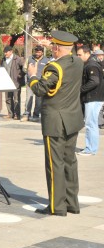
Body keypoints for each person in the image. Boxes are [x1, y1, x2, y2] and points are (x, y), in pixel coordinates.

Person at [28, 30, 83, 216]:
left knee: (54, 164)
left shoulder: (54, 68)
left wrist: (33, 76)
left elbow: (40, 89)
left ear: (58, 48)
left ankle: (56, 206)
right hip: (72, 118)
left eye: (53, 46)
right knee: (70, 162)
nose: (51, 48)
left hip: (55, 121)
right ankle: (71, 203)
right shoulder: (77, 62)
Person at [76, 46, 104, 156]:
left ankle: (90, 149)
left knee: (90, 124)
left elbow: (94, 81)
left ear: (87, 53)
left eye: (80, 55)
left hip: (93, 98)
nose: (78, 57)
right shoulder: (91, 63)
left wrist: (80, 90)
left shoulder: (91, 65)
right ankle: (91, 148)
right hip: (94, 98)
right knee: (91, 124)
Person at [23, 45, 49, 122]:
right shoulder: (30, 58)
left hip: (40, 83)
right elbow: (24, 68)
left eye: (39, 52)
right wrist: (29, 73)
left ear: (42, 52)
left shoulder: (47, 60)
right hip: (30, 82)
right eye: (36, 52)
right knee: (28, 99)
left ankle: (36, 115)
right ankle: (26, 114)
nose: (37, 53)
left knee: (39, 100)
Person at [2, 46, 26, 120]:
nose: (5, 53)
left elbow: (24, 69)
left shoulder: (18, 59)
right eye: (4, 52)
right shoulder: (3, 60)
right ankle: (10, 114)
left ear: (11, 51)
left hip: (16, 82)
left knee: (16, 99)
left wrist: (20, 75)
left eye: (7, 52)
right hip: (6, 82)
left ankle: (17, 114)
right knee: (8, 99)